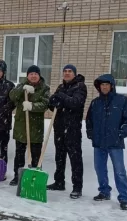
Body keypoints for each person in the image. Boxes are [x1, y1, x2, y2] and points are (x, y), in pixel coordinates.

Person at [86, 74, 127, 211]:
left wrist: (121, 133)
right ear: (99, 87)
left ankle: (124, 198)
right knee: (99, 169)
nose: (104, 87)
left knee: (119, 171)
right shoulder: (95, 103)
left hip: (115, 143)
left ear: (112, 86)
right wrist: (91, 133)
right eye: (102, 85)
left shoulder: (122, 101)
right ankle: (104, 191)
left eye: (107, 85)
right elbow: (89, 120)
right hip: (99, 143)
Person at [47, 64, 87, 199]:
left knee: (75, 158)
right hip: (59, 128)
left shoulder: (80, 87)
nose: (67, 73)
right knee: (59, 157)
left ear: (74, 74)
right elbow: (54, 106)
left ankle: (77, 187)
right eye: (65, 71)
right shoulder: (61, 87)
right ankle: (59, 182)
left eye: (70, 71)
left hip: (72, 129)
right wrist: (52, 102)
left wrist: (61, 97)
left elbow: (75, 103)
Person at [8, 65, 50, 186]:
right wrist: (23, 89)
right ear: (27, 76)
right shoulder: (21, 86)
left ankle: (35, 177)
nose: (33, 76)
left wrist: (32, 106)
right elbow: (12, 96)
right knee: (19, 154)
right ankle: (17, 176)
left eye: (35, 74)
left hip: (36, 127)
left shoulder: (44, 88)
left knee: (36, 155)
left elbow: (45, 104)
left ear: (39, 75)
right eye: (31, 74)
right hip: (21, 126)